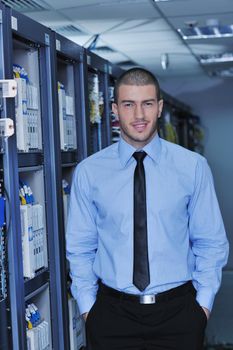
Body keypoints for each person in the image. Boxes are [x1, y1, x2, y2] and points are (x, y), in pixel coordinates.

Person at [66, 67, 229, 350]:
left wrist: (201, 307)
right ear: (115, 109)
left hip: (179, 314)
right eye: (129, 104)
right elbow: (80, 247)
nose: (139, 115)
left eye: (147, 104)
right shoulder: (89, 172)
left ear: (160, 107)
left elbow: (211, 242)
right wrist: (88, 309)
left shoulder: (192, 167)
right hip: (111, 316)